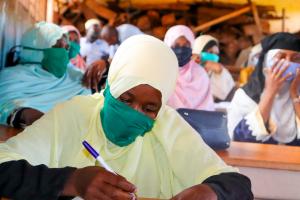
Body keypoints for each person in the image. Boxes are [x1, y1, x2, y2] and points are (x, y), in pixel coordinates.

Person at [0, 35, 253, 200]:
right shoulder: (74, 116)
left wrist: (211, 192)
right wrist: (73, 181)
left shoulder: (167, 125)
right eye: (125, 99)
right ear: (111, 86)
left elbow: (238, 184)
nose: (134, 114)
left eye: (149, 108)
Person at [0, 22, 107, 128]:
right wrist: (24, 115)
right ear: (36, 48)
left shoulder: (74, 75)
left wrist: (106, 65)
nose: (63, 52)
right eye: (57, 46)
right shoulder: (11, 77)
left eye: (66, 47)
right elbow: (4, 107)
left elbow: (103, 94)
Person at [228, 33, 300, 145]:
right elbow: (240, 140)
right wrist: (270, 93)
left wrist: (295, 95)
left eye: (295, 58)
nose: (288, 62)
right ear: (267, 61)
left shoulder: (297, 96)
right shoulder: (245, 97)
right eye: (281, 57)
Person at [164, 25, 215, 111]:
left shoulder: (200, 73)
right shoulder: (161, 72)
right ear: (168, 45)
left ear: (192, 47)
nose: (181, 50)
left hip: (197, 123)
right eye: (176, 45)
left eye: (186, 45)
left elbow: (207, 109)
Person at [192, 35, 236, 102]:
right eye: (210, 52)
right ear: (198, 50)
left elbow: (218, 68)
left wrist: (202, 62)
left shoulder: (220, 71)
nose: (214, 56)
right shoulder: (188, 71)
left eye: (216, 54)